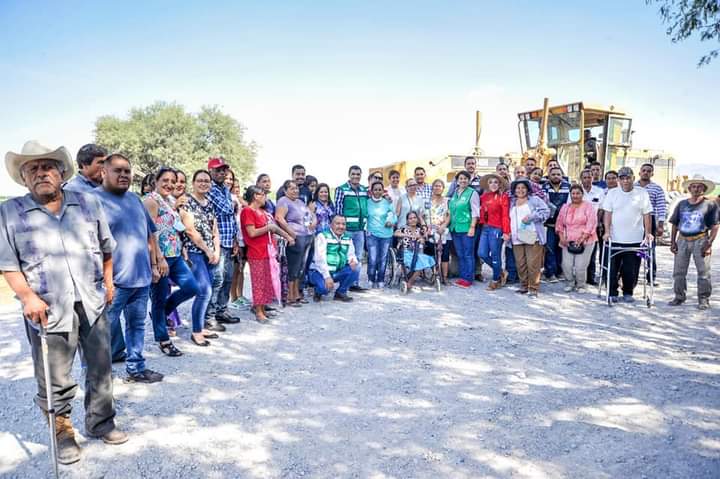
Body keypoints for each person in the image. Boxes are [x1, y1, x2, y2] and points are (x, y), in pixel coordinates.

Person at [0, 141, 127, 464]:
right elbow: (8, 263)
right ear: (24, 178)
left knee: (101, 368)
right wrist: (27, 297)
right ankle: (62, 432)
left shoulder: (87, 203)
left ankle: (101, 422)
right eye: (32, 169)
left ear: (61, 173)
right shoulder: (10, 212)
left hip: (92, 301)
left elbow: (106, 248)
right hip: (46, 308)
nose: (41, 173)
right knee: (55, 377)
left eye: (47, 167)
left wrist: (109, 283)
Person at [94, 153, 164, 383]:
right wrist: (104, 281)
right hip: (113, 283)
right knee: (101, 332)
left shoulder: (135, 199)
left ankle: (136, 368)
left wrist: (155, 263)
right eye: (118, 170)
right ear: (104, 172)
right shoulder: (92, 201)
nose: (124, 175)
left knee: (136, 326)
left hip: (141, 279)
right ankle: (99, 382)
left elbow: (149, 234)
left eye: (127, 171)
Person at [144, 167, 200, 356]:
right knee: (158, 299)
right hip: (161, 257)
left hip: (175, 255)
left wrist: (182, 249)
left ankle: (160, 314)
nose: (169, 184)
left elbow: (174, 227)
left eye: (172, 181)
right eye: (165, 180)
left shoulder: (168, 201)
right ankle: (163, 339)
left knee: (192, 288)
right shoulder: (151, 201)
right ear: (156, 181)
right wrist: (158, 259)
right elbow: (150, 233)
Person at [178, 170, 223, 346]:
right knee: (204, 291)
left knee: (208, 290)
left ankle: (201, 325)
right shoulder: (186, 202)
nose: (203, 183)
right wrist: (207, 250)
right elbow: (190, 231)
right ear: (193, 183)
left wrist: (216, 250)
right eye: (200, 180)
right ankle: (196, 332)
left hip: (210, 254)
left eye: (206, 181)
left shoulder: (210, 203)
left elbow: (214, 230)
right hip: (195, 252)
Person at [241, 186, 294, 322]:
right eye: (263, 194)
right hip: (256, 252)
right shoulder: (247, 211)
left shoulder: (262, 212)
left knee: (266, 282)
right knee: (258, 282)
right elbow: (252, 233)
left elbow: (274, 228)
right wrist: (268, 228)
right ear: (255, 196)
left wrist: (287, 236)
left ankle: (263, 309)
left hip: (268, 252)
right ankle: (258, 311)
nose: (266, 197)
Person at [602, 167, 654, 303]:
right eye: (622, 178)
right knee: (612, 267)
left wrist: (648, 233)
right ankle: (612, 292)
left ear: (633, 178)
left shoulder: (642, 193)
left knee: (631, 268)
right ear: (619, 180)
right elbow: (607, 214)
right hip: (615, 237)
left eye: (628, 178)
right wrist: (607, 231)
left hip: (635, 238)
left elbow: (647, 214)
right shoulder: (612, 193)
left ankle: (628, 292)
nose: (625, 181)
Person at [668, 175, 719, 310]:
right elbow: (675, 224)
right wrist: (672, 242)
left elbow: (715, 226)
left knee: (703, 272)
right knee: (678, 272)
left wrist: (709, 243)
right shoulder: (682, 204)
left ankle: (703, 299)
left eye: (699, 187)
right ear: (689, 188)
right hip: (682, 240)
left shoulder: (710, 205)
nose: (696, 189)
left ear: (704, 189)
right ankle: (679, 296)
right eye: (694, 187)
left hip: (701, 240)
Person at [206, 157, 240, 328]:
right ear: (210, 171)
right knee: (217, 280)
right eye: (218, 170)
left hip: (228, 240)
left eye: (223, 170)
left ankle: (221, 310)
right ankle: (209, 317)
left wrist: (235, 239)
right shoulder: (211, 189)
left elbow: (232, 216)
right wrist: (232, 203)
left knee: (227, 278)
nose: (221, 173)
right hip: (216, 242)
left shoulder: (225, 189)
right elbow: (227, 209)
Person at [276, 180, 316, 306]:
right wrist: (290, 233)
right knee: (293, 266)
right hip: (295, 237)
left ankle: (296, 293)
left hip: (306, 236)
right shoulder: (283, 201)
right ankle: (289, 296)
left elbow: (309, 214)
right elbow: (279, 218)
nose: (295, 190)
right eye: (292, 188)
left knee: (301, 267)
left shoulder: (300, 202)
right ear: (285, 190)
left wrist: (313, 221)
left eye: (296, 188)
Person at [509, 179, 551, 297]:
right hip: (516, 236)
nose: (520, 190)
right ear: (514, 190)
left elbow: (546, 211)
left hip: (532, 235)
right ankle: (523, 286)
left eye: (523, 188)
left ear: (528, 189)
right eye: (518, 188)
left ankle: (533, 288)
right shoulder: (512, 202)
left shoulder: (535, 200)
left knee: (533, 263)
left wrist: (533, 217)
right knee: (520, 263)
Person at [555, 184, 598, 292]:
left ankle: (581, 285)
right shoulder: (565, 207)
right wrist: (561, 237)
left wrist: (582, 238)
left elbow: (591, 223)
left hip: (586, 240)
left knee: (580, 266)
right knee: (566, 265)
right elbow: (559, 223)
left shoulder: (588, 206)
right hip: (567, 240)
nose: (575, 196)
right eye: (573, 193)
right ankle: (570, 282)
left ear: (582, 194)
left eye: (578, 193)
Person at [309, 215, 361, 302]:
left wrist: (353, 261)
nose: (341, 226)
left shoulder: (347, 238)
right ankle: (318, 291)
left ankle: (341, 292)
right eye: (337, 223)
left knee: (356, 268)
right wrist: (327, 277)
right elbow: (319, 259)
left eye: (343, 224)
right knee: (324, 289)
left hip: (336, 272)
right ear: (331, 224)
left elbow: (351, 254)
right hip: (319, 272)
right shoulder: (322, 236)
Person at [334, 165, 369, 291]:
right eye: (353, 174)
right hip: (347, 229)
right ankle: (343, 284)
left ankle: (354, 283)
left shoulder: (364, 190)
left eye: (358, 174)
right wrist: (340, 228)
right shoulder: (341, 189)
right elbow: (338, 210)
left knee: (358, 257)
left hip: (360, 229)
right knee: (344, 257)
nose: (356, 176)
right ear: (349, 175)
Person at [478, 173, 510, 290]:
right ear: (487, 184)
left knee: (496, 255)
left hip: (497, 228)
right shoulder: (484, 197)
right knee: (482, 253)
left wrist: (506, 231)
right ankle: (501, 272)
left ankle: (496, 280)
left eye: (496, 182)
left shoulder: (503, 197)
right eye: (491, 182)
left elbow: (505, 215)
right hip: (485, 228)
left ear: (500, 184)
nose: (493, 184)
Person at [636, 163, 667, 285]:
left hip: (650, 220)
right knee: (634, 248)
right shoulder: (633, 186)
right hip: (635, 220)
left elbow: (661, 207)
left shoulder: (657, 189)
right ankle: (632, 276)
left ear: (652, 173)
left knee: (650, 249)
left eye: (648, 171)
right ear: (639, 172)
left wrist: (660, 225)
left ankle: (651, 277)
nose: (646, 172)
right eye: (643, 170)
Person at [448, 170, 480, 288]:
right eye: (460, 178)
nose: (463, 181)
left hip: (467, 228)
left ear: (469, 180)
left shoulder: (472, 193)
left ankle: (468, 279)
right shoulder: (455, 192)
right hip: (455, 228)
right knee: (460, 254)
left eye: (465, 178)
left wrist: (472, 227)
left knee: (468, 254)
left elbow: (475, 212)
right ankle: (462, 277)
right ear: (457, 181)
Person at [542, 166, 571, 283]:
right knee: (550, 249)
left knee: (561, 248)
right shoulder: (544, 187)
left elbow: (569, 204)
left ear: (562, 176)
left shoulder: (568, 187)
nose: (556, 176)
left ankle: (559, 271)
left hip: (564, 225)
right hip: (549, 224)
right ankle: (550, 273)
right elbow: (544, 204)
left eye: (558, 174)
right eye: (553, 174)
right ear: (549, 176)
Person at [394, 211, 436, 291]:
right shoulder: (404, 228)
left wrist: (422, 240)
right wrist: (409, 235)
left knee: (425, 260)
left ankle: (410, 281)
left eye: (414, 218)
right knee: (419, 262)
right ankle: (409, 281)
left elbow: (424, 240)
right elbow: (395, 233)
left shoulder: (419, 230)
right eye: (410, 218)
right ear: (407, 220)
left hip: (417, 253)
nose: (413, 220)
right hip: (406, 253)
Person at [366, 181, 396, 288]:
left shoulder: (387, 202)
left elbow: (394, 215)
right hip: (372, 234)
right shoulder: (367, 202)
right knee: (372, 258)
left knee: (383, 259)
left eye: (380, 189)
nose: (377, 191)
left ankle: (381, 279)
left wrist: (391, 221)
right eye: (375, 189)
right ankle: (371, 278)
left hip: (386, 234)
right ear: (371, 191)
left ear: (383, 191)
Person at [580, 169, 605, 286]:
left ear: (592, 178)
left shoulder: (599, 191)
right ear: (581, 179)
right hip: (579, 225)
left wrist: (598, 223)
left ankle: (591, 277)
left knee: (592, 252)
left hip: (593, 226)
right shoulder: (576, 190)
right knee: (579, 252)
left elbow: (601, 209)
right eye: (584, 177)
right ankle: (580, 277)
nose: (587, 180)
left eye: (589, 177)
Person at [428, 179, 451, 283]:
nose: (437, 188)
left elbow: (449, 215)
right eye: (435, 186)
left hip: (444, 231)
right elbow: (424, 215)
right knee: (434, 254)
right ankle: (435, 274)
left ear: (443, 188)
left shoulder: (447, 201)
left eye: (439, 186)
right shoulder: (427, 201)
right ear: (432, 188)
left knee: (445, 255)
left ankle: (444, 277)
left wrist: (444, 225)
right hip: (432, 230)